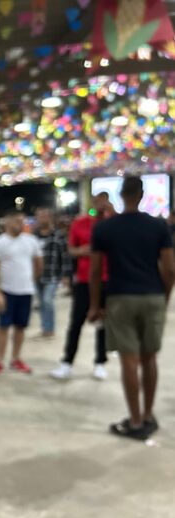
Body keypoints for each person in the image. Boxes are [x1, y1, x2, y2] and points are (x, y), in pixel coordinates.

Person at [89, 176, 175, 440]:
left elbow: (94, 272)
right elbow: (170, 269)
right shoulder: (158, 226)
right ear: (141, 194)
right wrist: (165, 298)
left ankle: (135, 421)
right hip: (152, 295)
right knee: (150, 358)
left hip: (119, 297)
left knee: (129, 360)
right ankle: (148, 415)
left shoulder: (104, 229)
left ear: (120, 195)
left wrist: (95, 305)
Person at [51, 193, 112, 381]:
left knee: (103, 323)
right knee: (76, 322)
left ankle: (100, 362)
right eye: (97, 200)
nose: (100, 204)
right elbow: (70, 250)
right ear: (92, 202)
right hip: (84, 280)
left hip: (108, 279)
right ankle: (67, 362)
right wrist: (83, 251)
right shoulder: (80, 223)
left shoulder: (113, 223)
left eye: (104, 200)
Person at [0, 212, 44, 377]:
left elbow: (39, 263)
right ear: (7, 222)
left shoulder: (31, 241)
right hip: (6, 292)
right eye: (17, 220)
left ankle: (16, 359)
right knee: (3, 327)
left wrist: (31, 280)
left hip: (25, 292)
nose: (21, 223)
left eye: (22, 220)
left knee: (20, 327)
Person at [34, 208, 72, 338]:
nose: (42, 219)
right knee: (42, 302)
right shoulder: (33, 237)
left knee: (47, 300)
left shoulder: (58, 235)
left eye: (45, 216)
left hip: (53, 275)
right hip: (37, 276)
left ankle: (50, 329)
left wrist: (66, 275)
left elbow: (65, 256)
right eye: (40, 216)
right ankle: (45, 328)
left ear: (50, 218)